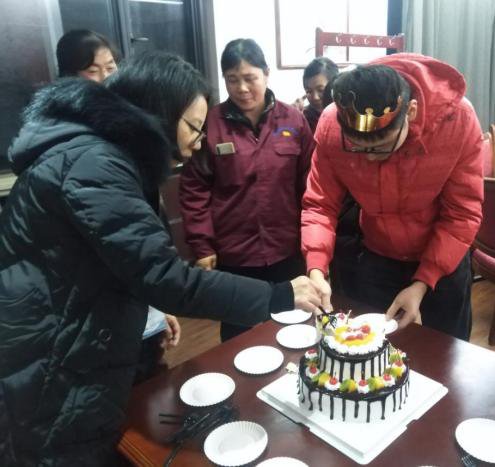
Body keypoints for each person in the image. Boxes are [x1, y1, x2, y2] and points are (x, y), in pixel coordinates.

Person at [0, 52, 321, 466]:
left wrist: (150, 310)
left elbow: (122, 259)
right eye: (194, 127)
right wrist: (280, 295)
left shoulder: (98, 153)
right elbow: (164, 276)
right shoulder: (93, 163)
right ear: (158, 113)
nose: (200, 140)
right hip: (54, 354)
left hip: (77, 333)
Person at [302, 53, 483, 340]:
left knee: (448, 349)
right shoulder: (331, 125)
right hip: (378, 254)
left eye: (382, 146)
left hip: (444, 257)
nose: (371, 158)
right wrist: (316, 270)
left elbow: (463, 212)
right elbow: (320, 205)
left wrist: (422, 283)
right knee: (376, 346)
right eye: (358, 148)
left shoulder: (457, 119)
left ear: (411, 112)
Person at [56, 29, 182, 381]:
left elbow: (143, 245)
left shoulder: (124, 133)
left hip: (136, 311)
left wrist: (158, 309)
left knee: (152, 387)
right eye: (92, 70)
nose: (105, 78)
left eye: (111, 67)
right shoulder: (78, 148)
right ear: (69, 77)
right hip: (97, 327)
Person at [179, 39, 315, 342]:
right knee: (238, 335)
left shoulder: (293, 120)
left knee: (296, 328)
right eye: (232, 79)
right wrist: (202, 246)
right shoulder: (211, 124)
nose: (241, 88)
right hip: (235, 252)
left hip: (286, 248)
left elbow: (310, 185)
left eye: (250, 78)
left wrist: (312, 242)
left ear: (266, 74)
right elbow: (194, 189)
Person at [301, 57, 339, 133]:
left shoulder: (347, 115)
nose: (315, 97)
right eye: (309, 91)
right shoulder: (305, 118)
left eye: (321, 90)